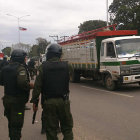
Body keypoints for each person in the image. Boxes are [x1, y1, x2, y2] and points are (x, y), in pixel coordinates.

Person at [30, 43, 73, 140]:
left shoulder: (42, 67)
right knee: (67, 129)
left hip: (49, 103)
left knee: (51, 130)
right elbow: (68, 76)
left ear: (48, 54)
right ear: (59, 54)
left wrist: (34, 101)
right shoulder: (67, 66)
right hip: (64, 101)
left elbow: (37, 87)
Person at [0, 49, 34, 140]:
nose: (26, 59)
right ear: (21, 58)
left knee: (11, 122)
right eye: (25, 58)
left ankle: (12, 137)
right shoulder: (20, 68)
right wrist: (30, 86)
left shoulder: (5, 68)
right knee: (17, 125)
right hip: (17, 104)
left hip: (7, 101)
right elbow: (22, 83)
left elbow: (2, 82)